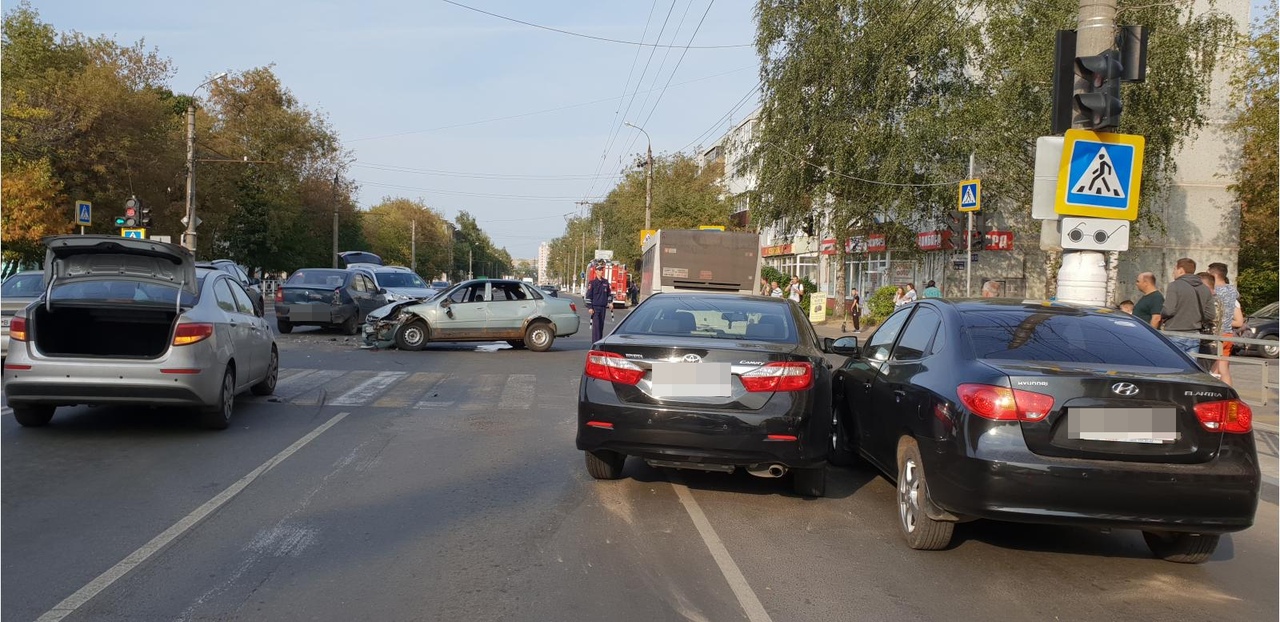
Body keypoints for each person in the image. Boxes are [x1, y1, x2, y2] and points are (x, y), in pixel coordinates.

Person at [1160, 257, 1216, 358]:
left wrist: (1161, 313)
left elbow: (1168, 310)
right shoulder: (1204, 289)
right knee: (1190, 368)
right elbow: (1211, 314)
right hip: (1194, 334)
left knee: (1173, 366)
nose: (1173, 272)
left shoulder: (1174, 286)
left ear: (1181, 270)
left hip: (1174, 332)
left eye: (1174, 269)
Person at [1207, 263, 1244, 385]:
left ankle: (1214, 393)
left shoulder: (1214, 292)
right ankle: (1228, 394)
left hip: (1216, 334)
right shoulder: (1232, 290)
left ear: (1213, 274)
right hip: (1228, 334)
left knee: (1213, 369)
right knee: (1223, 369)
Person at [586, 264, 612, 343]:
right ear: (596, 271)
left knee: (601, 326)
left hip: (603, 308)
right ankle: (595, 343)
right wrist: (590, 307)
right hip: (595, 308)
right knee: (596, 327)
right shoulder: (592, 283)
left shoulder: (605, 282)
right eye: (600, 270)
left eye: (602, 270)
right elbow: (588, 296)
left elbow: (609, 294)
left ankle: (599, 342)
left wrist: (610, 302)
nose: (601, 271)